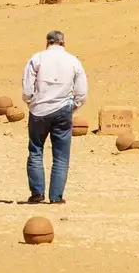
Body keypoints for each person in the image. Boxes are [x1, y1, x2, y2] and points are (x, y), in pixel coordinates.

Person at [20, 29, 88, 204]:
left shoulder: (37, 58)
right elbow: (82, 92)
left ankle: (37, 194)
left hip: (39, 110)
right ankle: (56, 197)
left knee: (35, 150)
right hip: (63, 110)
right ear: (63, 43)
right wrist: (73, 107)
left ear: (47, 42)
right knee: (61, 156)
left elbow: (27, 89)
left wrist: (31, 103)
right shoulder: (73, 61)